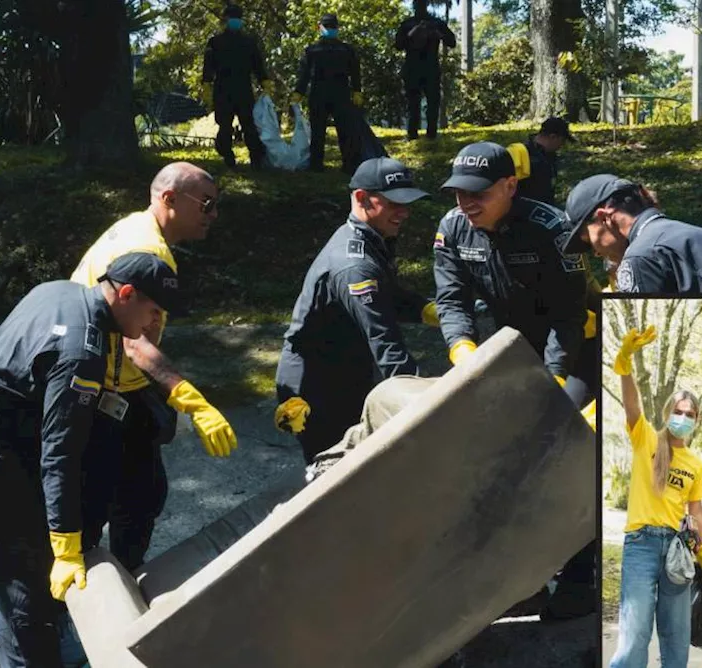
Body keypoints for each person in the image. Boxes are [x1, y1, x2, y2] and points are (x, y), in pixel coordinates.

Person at [0, 252, 183, 668]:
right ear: (127, 294)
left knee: (20, 575)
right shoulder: (82, 352)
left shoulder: (59, 291)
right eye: (152, 312)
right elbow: (60, 453)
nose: (153, 325)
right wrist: (65, 546)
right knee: (27, 595)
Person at [70, 162, 237, 569]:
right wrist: (190, 400)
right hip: (99, 394)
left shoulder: (134, 227)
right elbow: (134, 343)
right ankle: (86, 602)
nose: (213, 215)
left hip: (114, 386)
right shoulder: (147, 252)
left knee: (141, 495)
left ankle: (117, 587)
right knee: (104, 508)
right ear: (169, 199)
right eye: (207, 204)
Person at [274, 157, 437, 464]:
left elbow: (387, 293)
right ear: (362, 198)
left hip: (347, 370)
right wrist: (428, 405)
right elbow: (386, 344)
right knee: (332, 476)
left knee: (359, 468)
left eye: (408, 203)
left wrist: (427, 309)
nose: (404, 212)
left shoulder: (370, 237)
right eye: (395, 203)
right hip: (316, 389)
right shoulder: (354, 265)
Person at [432, 141, 587, 396]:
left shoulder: (551, 229)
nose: (466, 204)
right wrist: (462, 350)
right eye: (459, 193)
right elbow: (452, 300)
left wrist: (555, 373)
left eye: (479, 194)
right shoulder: (453, 229)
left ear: (511, 186)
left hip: (570, 344)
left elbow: (569, 313)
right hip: (507, 343)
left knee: (564, 418)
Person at [607, 325, 702, 668]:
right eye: (678, 411)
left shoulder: (696, 462)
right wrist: (625, 363)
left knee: (675, 633)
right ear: (668, 412)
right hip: (640, 544)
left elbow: (697, 513)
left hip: (677, 551)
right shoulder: (647, 440)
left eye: (690, 414)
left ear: (696, 420)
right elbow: (631, 407)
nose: (683, 418)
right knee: (636, 632)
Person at [559, 174, 702, 293]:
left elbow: (643, 341)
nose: (596, 253)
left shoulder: (641, 257)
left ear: (604, 218)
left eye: (589, 242)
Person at [203, 5, 272, 170]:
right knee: (246, 124)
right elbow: (259, 66)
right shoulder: (247, 42)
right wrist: (265, 82)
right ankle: (254, 159)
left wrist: (206, 84)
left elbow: (208, 67)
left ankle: (230, 157)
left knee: (228, 125)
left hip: (224, 89)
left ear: (225, 20)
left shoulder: (216, 42)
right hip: (241, 88)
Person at [293, 14, 364, 173]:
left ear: (320, 28)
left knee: (319, 131)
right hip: (340, 93)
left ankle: (316, 165)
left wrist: (299, 92)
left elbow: (304, 75)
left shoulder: (312, 50)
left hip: (320, 93)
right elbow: (355, 73)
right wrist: (357, 91)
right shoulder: (346, 49)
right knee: (344, 131)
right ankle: (348, 164)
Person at [395, 0, 456, 141]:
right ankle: (412, 134)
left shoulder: (436, 23)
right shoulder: (407, 24)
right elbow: (398, 45)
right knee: (413, 103)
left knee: (433, 101)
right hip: (412, 68)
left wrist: (437, 33)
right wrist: (413, 33)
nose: (419, 7)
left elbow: (451, 42)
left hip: (431, 67)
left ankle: (432, 134)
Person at [508, 117, 576, 206]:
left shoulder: (550, 155)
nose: (561, 145)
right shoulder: (521, 152)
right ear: (553, 137)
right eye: (562, 141)